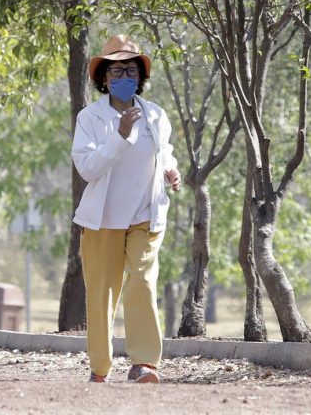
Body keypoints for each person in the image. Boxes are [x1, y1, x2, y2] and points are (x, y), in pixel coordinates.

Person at [71, 35, 182, 384]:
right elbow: (88, 169)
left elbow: (164, 152)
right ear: (103, 78)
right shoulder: (90, 118)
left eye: (130, 70)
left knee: (143, 283)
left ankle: (144, 363)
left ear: (141, 76)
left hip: (144, 217)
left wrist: (170, 170)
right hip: (103, 221)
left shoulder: (155, 115)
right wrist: (119, 136)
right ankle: (100, 369)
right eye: (116, 72)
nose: (123, 77)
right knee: (102, 294)